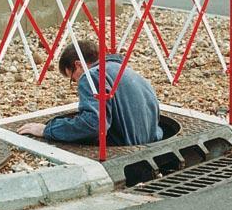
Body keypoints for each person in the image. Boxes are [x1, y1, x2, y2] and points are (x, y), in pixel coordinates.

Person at [17, 40, 163, 146]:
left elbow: (93, 125)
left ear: (78, 65)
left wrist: (47, 130)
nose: (76, 83)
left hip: (126, 149)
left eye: (73, 78)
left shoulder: (91, 75)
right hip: (151, 142)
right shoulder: (126, 71)